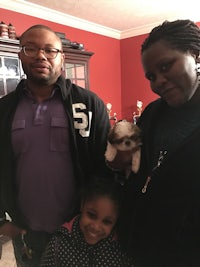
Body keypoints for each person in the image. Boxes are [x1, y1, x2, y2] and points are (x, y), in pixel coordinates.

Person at [0, 24, 110, 267]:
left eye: (50, 50)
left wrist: (101, 222)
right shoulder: (3, 110)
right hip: (25, 233)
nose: (41, 55)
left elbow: (105, 170)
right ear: (20, 55)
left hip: (77, 230)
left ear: (62, 58)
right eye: (31, 49)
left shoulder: (90, 105)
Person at [119, 19, 200, 267]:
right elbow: (140, 170)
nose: (158, 82)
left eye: (166, 66)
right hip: (141, 247)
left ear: (195, 55)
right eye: (151, 76)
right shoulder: (153, 112)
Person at [40, 175, 134, 267]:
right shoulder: (59, 244)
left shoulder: (120, 251)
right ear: (82, 205)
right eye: (91, 215)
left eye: (106, 222)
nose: (96, 227)